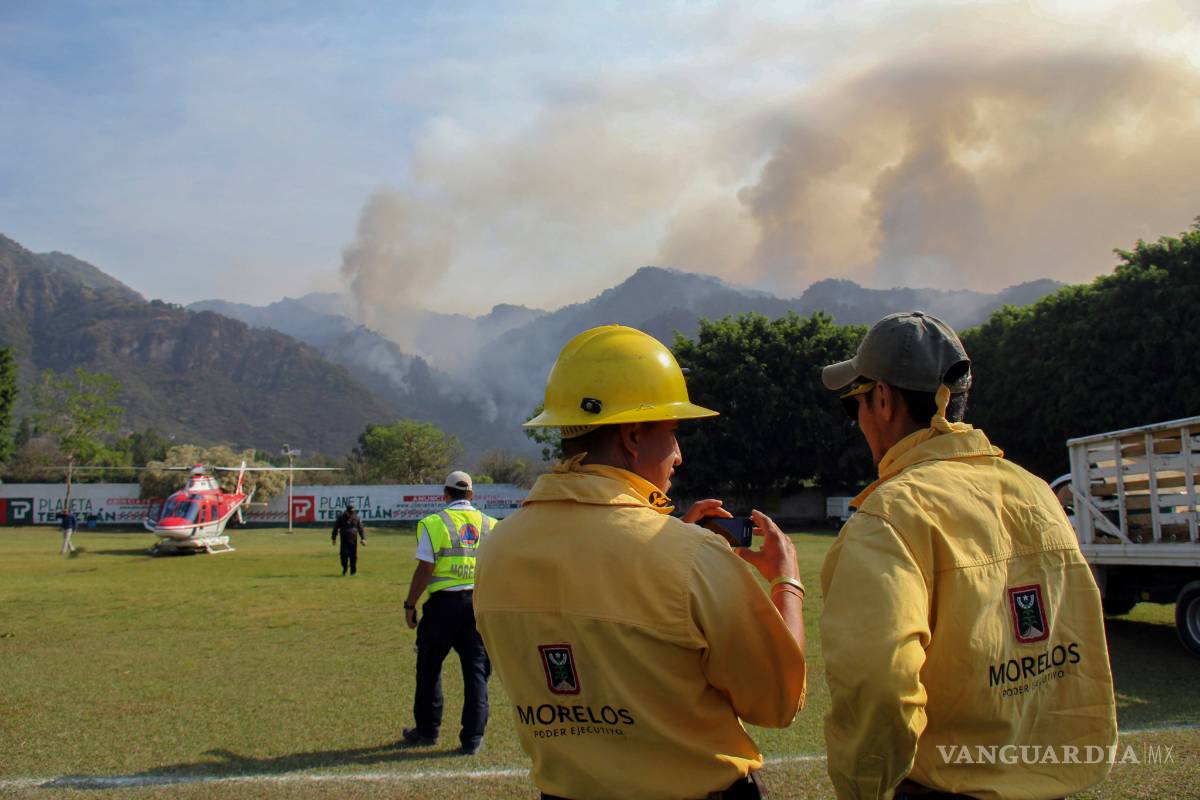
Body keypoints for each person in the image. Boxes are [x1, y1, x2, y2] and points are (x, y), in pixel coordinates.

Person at [473, 325, 807, 800]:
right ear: (632, 436)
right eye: (672, 433)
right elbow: (778, 701)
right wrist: (786, 581)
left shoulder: (497, 549)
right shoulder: (690, 556)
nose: (679, 455)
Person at [819, 311, 1118, 799]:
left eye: (854, 404)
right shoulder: (1037, 491)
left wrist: (863, 788)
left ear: (883, 399)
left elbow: (879, 686)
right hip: (1053, 783)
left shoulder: (891, 514)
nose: (858, 421)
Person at [401, 470, 497, 756]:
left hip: (442, 607)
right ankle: (472, 739)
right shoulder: (490, 524)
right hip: (476, 606)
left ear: (444, 494)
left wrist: (410, 604)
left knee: (429, 669)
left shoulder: (433, 524)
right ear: (471, 494)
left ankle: (428, 731)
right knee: (476, 673)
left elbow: (425, 569)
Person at [331, 503, 366, 575]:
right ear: (346, 511)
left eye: (352, 512)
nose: (351, 514)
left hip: (353, 540)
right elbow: (335, 528)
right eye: (350, 512)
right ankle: (345, 569)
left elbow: (361, 529)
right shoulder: (341, 518)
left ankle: (353, 571)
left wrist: (363, 538)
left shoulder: (357, 518)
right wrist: (334, 538)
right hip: (344, 540)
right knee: (344, 555)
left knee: (353, 556)